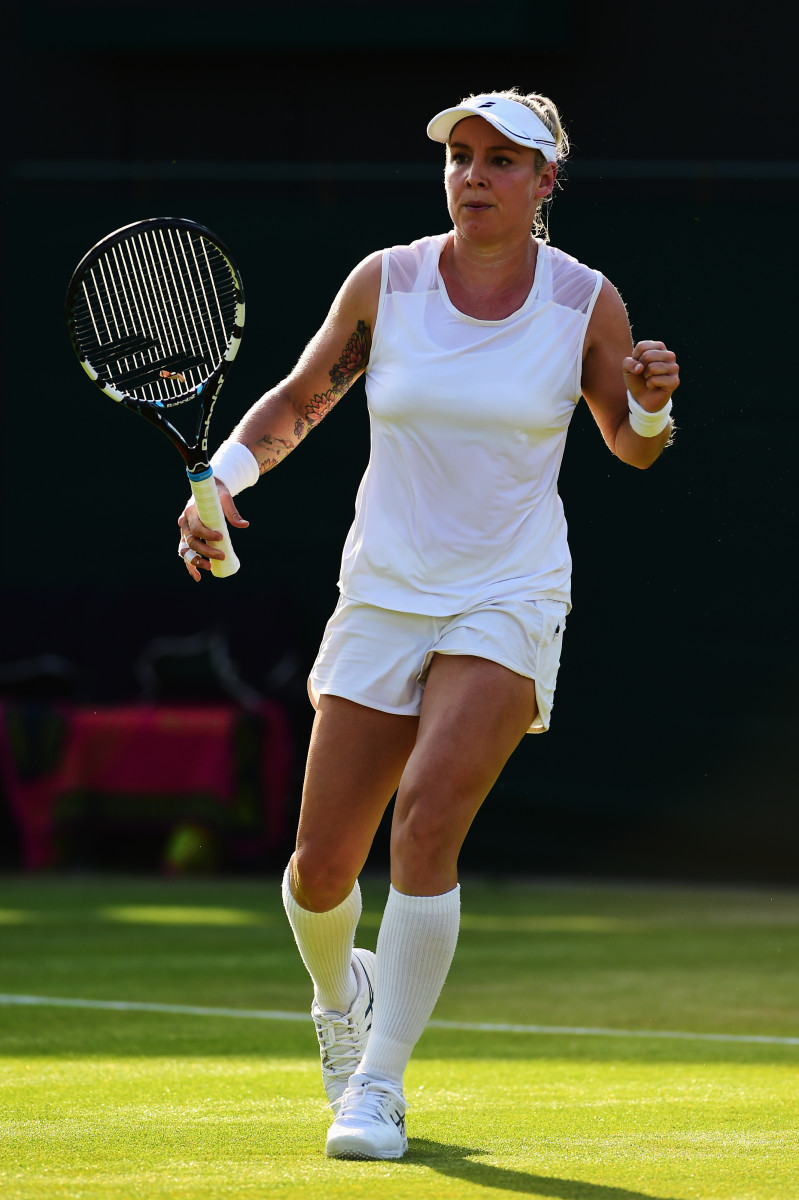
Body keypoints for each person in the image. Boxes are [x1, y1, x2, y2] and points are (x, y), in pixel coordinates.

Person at [177, 88, 680, 1161]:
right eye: (461, 157)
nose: (473, 176)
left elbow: (629, 444)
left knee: (425, 824)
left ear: (544, 182)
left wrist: (648, 404)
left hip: (509, 592)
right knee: (320, 869)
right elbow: (301, 397)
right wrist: (219, 483)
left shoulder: (584, 301)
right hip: (384, 590)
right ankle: (340, 999)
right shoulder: (387, 279)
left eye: (500, 161)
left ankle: (379, 1085)